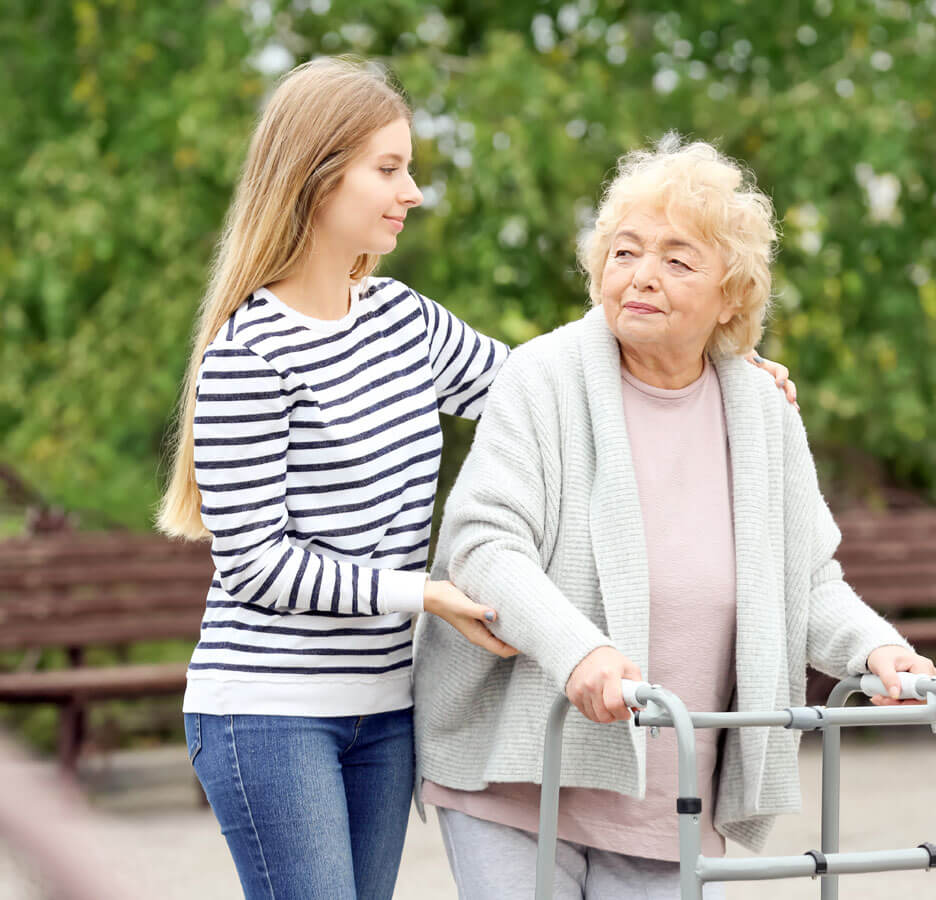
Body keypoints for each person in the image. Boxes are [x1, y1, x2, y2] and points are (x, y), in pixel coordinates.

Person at [157, 59, 794, 899]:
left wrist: (721, 360)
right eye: (389, 169)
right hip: (269, 709)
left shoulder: (401, 320)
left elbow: (563, 386)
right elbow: (256, 567)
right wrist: (425, 594)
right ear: (317, 176)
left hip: (384, 709)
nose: (411, 191)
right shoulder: (250, 356)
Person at [414, 135, 936, 899]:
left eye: (677, 259)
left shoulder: (761, 409)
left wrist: (877, 650)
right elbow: (483, 545)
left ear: (733, 294)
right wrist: (580, 654)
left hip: (672, 795)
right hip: (522, 776)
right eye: (624, 252)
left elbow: (806, 578)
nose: (642, 277)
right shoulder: (541, 379)